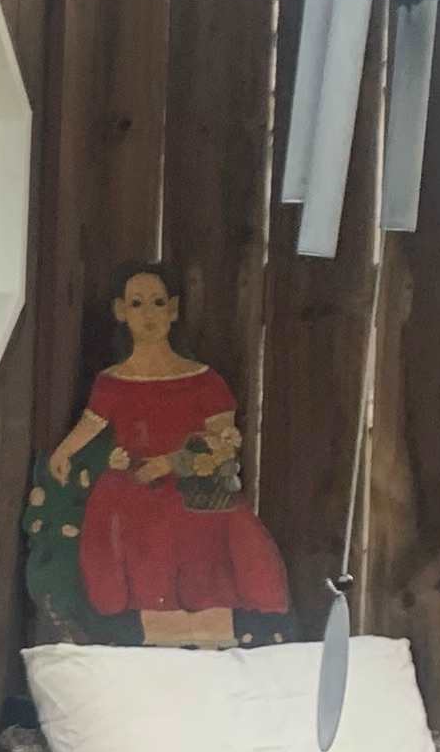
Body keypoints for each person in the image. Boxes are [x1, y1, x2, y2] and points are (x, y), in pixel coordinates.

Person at [44, 260, 290, 645]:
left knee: (220, 530)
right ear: (120, 312)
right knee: (123, 524)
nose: (148, 315)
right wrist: (63, 452)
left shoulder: (204, 380)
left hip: (193, 482)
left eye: (158, 303)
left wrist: (171, 461)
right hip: (132, 483)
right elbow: (91, 424)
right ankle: (137, 629)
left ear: (173, 310)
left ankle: (224, 630)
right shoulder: (112, 381)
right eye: (137, 304)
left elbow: (224, 440)